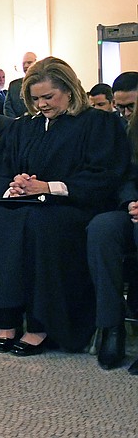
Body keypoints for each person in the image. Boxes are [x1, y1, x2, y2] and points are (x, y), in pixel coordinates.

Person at [0, 57, 129, 356]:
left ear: (68, 90)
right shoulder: (21, 128)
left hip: (73, 206)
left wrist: (49, 187)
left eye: (48, 97)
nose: (41, 104)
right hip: (27, 202)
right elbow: (1, 170)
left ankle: (41, 324)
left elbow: (103, 176)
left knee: (40, 225)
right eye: (35, 98)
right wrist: (13, 186)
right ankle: (6, 318)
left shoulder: (97, 123)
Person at [86, 92, 138, 372]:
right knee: (101, 228)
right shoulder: (122, 131)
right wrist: (131, 201)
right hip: (132, 208)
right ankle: (111, 325)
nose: (125, 113)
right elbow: (125, 175)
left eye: (131, 106)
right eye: (120, 107)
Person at [4, 51, 37, 118]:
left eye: (29, 62)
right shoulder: (14, 85)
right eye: (23, 63)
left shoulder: (43, 84)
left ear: (36, 63)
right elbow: (7, 108)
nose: (26, 66)